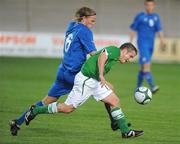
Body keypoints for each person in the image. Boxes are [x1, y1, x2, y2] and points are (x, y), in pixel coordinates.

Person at [10, 6, 118, 136]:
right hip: (76, 74)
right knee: (108, 90)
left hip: (63, 71)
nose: (93, 24)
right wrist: (108, 55)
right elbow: (93, 53)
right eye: (92, 20)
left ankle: (17, 122)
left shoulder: (71, 25)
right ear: (84, 18)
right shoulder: (85, 31)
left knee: (46, 101)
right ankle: (114, 121)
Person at [25, 43, 144, 139]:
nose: (130, 59)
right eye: (130, 56)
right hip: (86, 81)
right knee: (67, 108)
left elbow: (97, 60)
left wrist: (103, 80)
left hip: (95, 81)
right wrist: (102, 75)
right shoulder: (115, 50)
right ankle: (36, 110)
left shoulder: (115, 57)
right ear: (124, 51)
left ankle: (125, 131)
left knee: (114, 101)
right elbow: (103, 55)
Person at [130, 0, 165, 93]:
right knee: (147, 66)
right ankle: (152, 86)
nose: (149, 7)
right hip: (142, 44)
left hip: (151, 45)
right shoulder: (140, 16)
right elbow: (133, 29)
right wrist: (131, 42)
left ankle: (137, 87)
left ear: (154, 6)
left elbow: (159, 29)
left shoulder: (156, 17)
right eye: (148, 5)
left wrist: (162, 40)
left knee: (143, 68)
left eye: (151, 5)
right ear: (145, 6)